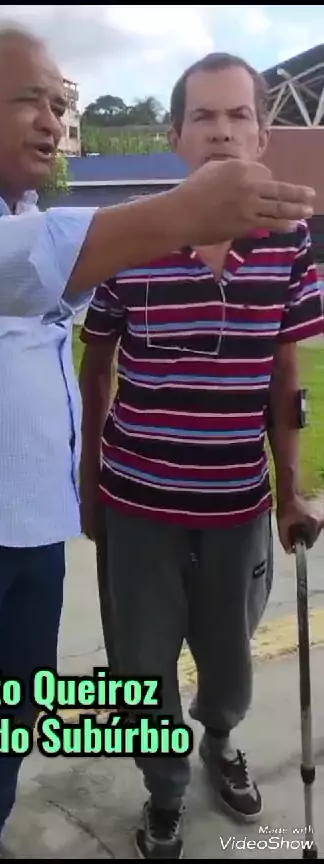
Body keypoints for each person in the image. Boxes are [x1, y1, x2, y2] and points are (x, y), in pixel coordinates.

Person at [0, 15, 317, 857]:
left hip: (31, 528)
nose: (54, 122)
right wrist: (176, 216)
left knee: (13, 714)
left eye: (61, 105)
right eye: (32, 100)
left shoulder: (31, 215)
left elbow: (51, 310)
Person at [79, 52, 324, 860]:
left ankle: (219, 740)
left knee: (229, 661)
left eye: (238, 115)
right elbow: (97, 363)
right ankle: (164, 790)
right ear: (176, 134)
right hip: (137, 503)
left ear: (261, 134)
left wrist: (292, 491)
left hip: (236, 506)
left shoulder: (289, 241)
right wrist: (88, 482)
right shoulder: (134, 236)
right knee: (141, 666)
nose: (222, 131)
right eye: (204, 116)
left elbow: (286, 375)